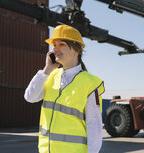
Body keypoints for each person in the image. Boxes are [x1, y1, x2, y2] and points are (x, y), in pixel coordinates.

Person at [24, 25, 105, 153]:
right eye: (54, 45)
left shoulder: (90, 84)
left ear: (76, 50)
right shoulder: (50, 75)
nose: (56, 49)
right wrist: (46, 70)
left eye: (61, 44)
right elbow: (30, 97)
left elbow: (94, 126)